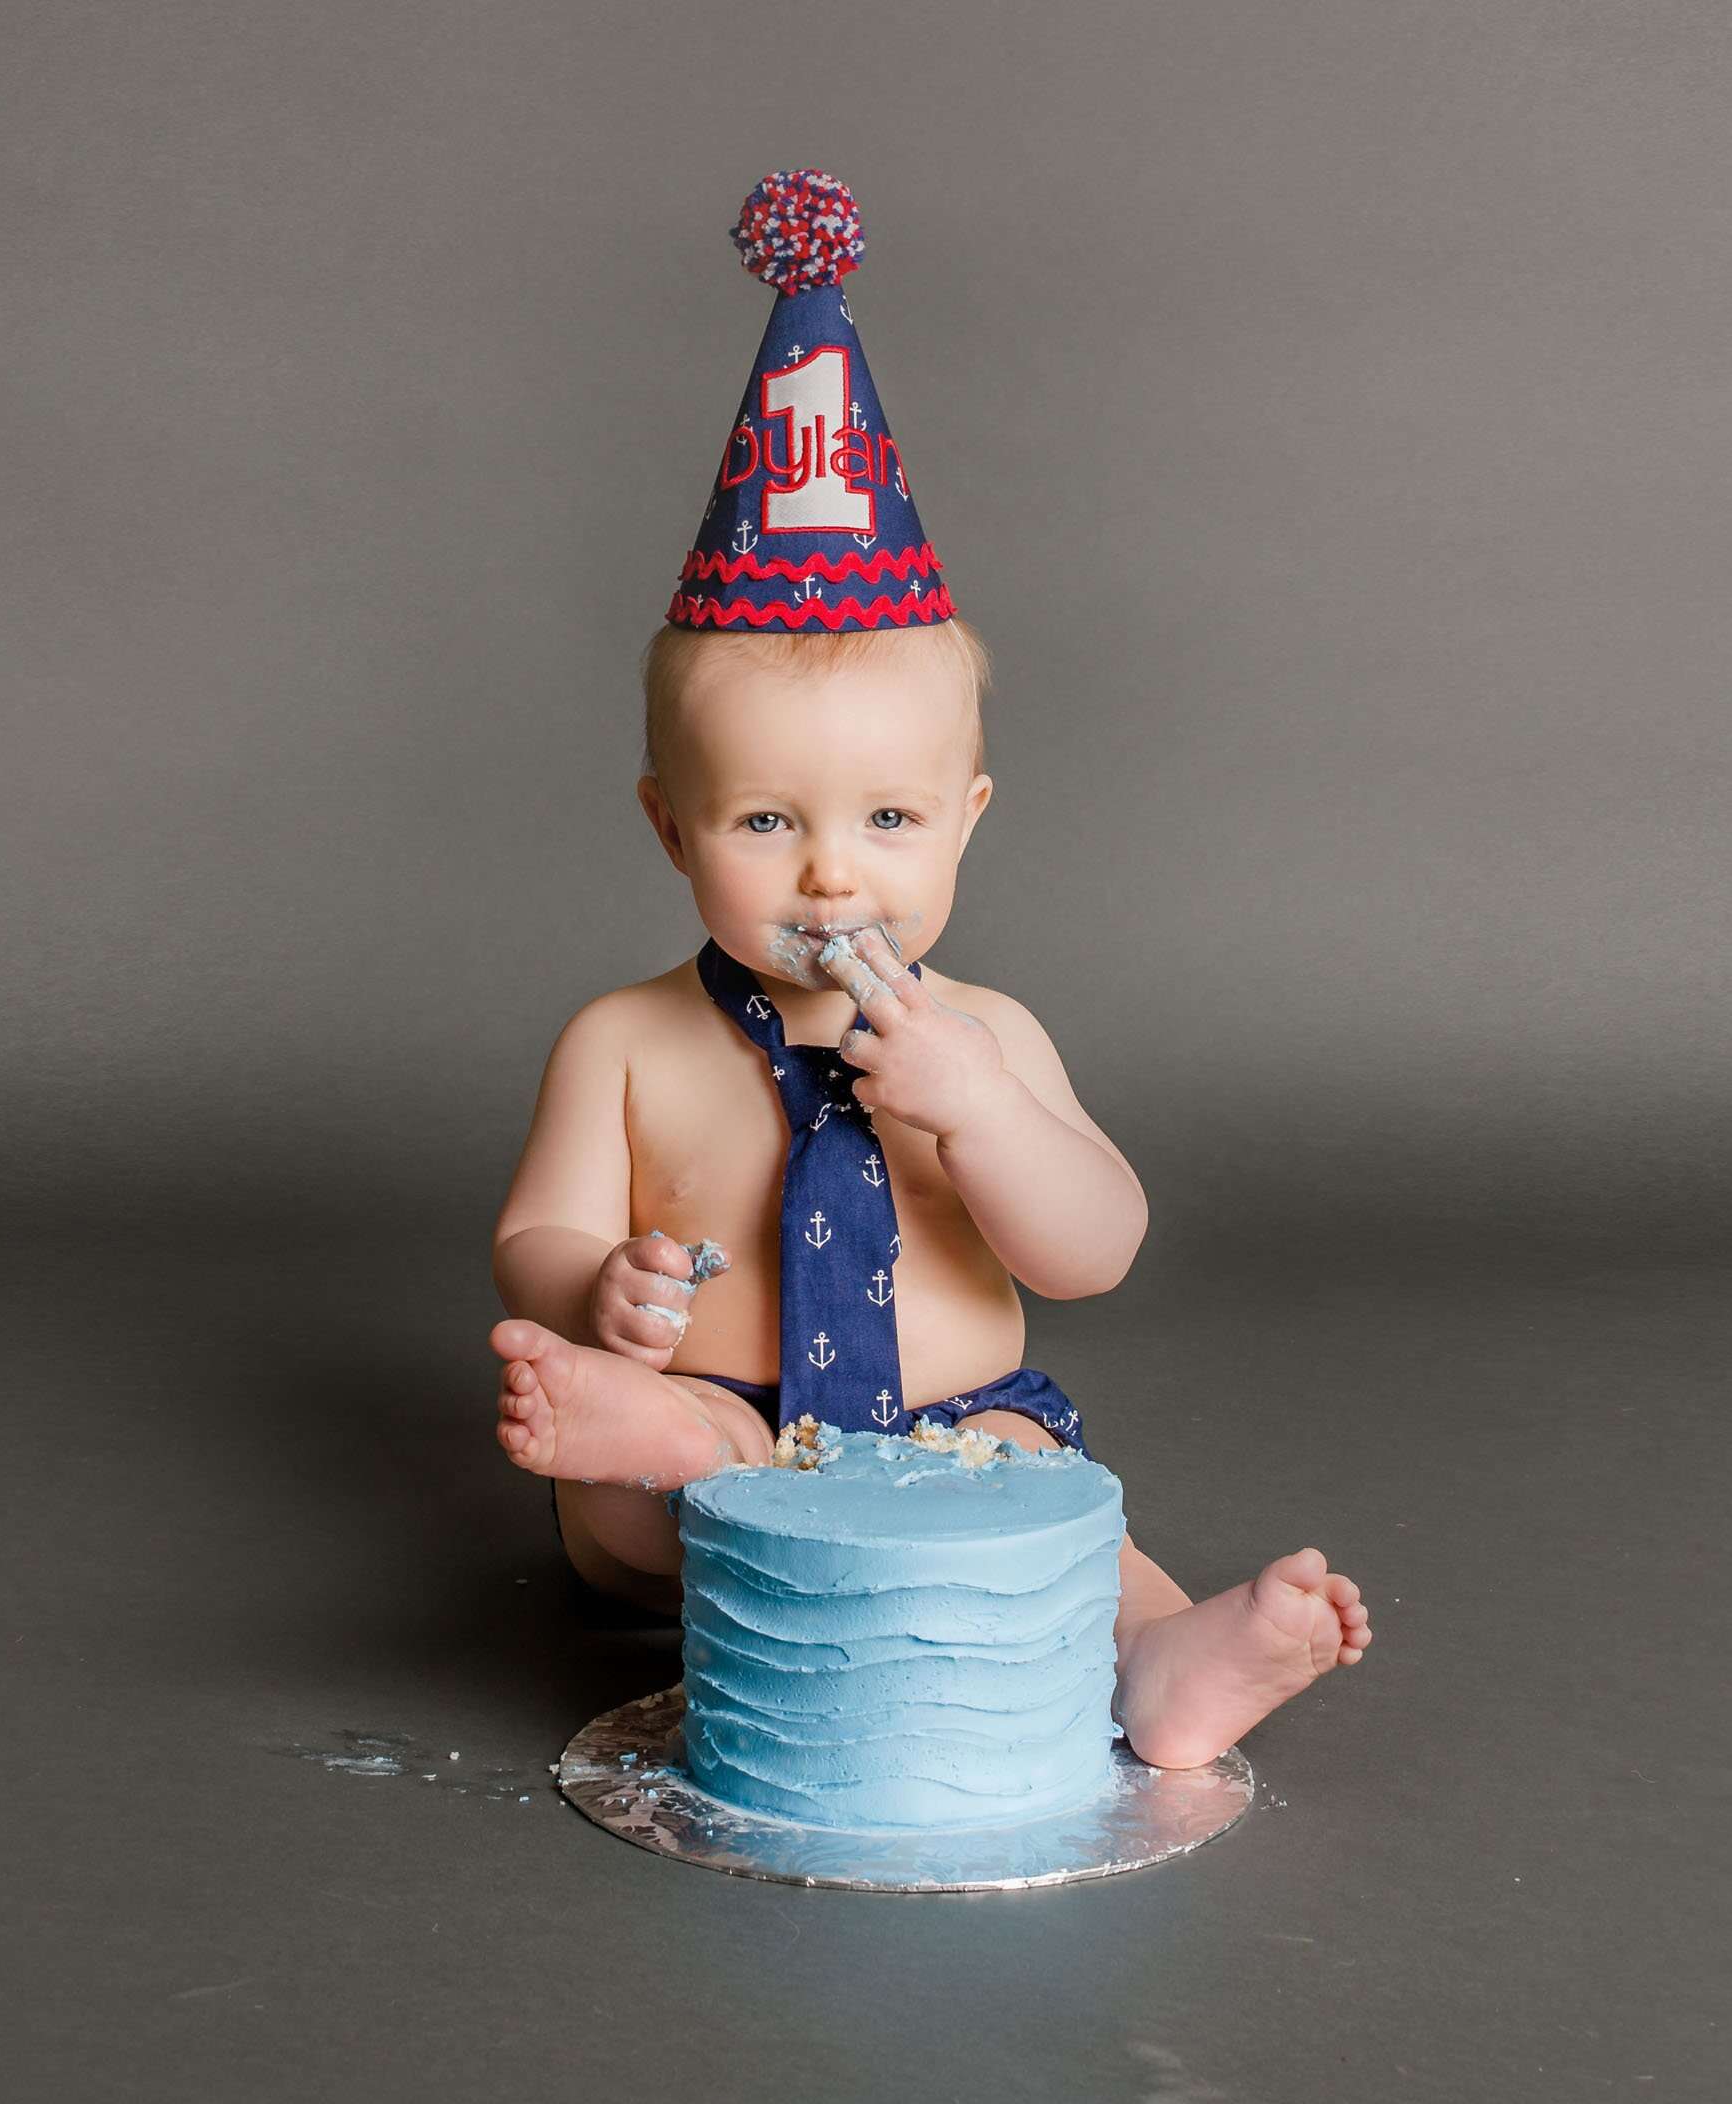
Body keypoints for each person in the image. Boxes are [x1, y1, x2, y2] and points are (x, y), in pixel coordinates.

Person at [489, 171, 1371, 1769]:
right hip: (726, 1415)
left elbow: (1094, 1251)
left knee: (1049, 1500)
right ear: (671, 829)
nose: (834, 873)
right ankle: (654, 1439)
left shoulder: (987, 1033)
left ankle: (1167, 1661)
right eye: (767, 821)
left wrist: (985, 1118)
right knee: (679, 1452)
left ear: (966, 820)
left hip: (954, 1438)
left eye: (888, 819)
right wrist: (593, 1290)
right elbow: (535, 1232)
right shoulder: (623, 1039)